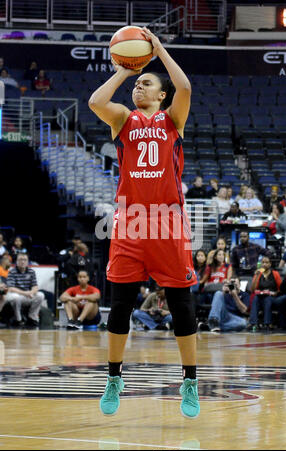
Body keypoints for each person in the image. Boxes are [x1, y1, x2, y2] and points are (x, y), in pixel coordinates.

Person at [89, 26, 200, 419]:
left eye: (146, 82)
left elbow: (185, 87)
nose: (139, 88)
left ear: (161, 94)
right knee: (119, 307)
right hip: (130, 224)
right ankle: (114, 377)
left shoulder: (173, 120)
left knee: (181, 308)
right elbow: (95, 101)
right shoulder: (122, 118)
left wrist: (159, 51)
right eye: (137, 84)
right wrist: (125, 67)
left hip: (168, 225)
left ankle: (189, 380)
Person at [5, 253, 45, 327]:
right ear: (16, 261)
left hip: (27, 295)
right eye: (20, 260)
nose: (23, 262)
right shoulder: (12, 272)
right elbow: (11, 288)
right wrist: (25, 293)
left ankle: (32, 317)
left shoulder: (31, 271)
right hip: (17, 295)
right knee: (15, 297)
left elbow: (35, 286)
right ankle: (18, 320)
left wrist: (31, 292)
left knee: (41, 295)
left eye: (25, 260)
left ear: (27, 261)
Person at [248, 256, 282, 332]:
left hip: (272, 296)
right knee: (255, 299)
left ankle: (268, 323)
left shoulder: (275, 274)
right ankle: (253, 323)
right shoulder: (259, 273)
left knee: (267, 299)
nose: (264, 264)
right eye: (263, 262)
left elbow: (281, 288)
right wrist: (256, 276)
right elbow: (252, 289)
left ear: (270, 264)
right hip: (260, 295)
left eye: (266, 262)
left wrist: (275, 293)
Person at [190, 249, 207, 314]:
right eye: (198, 256)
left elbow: (203, 281)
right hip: (192, 291)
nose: (200, 257)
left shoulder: (207, 268)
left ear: (205, 257)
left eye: (202, 255)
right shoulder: (192, 268)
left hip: (203, 292)